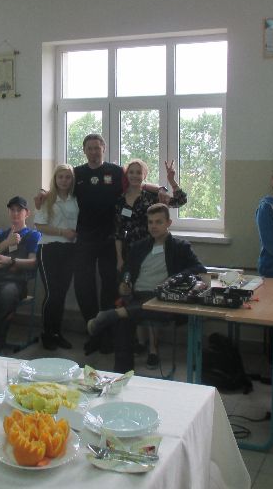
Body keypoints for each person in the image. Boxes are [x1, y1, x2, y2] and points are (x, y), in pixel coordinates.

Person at [87, 203, 205, 373]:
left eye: (159, 222)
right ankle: (122, 374)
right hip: (136, 297)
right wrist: (125, 283)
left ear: (168, 223)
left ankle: (111, 314)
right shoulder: (139, 247)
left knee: (134, 311)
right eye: (150, 222)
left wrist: (175, 278)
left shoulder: (180, 247)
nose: (153, 226)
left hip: (162, 298)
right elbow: (127, 272)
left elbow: (199, 269)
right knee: (123, 322)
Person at [115, 158, 187, 368]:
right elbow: (118, 231)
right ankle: (140, 342)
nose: (135, 176)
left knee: (150, 298)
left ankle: (153, 349)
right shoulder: (120, 200)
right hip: (130, 254)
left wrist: (171, 181)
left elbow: (180, 201)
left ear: (144, 175)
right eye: (131, 172)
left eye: (139, 172)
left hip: (152, 253)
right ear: (127, 175)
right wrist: (119, 258)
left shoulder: (153, 196)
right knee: (133, 297)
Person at [72, 134, 124, 355]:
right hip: (84, 237)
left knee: (109, 286)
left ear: (104, 148)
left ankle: (107, 334)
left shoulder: (116, 172)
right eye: (89, 148)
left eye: (97, 147)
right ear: (84, 150)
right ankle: (93, 333)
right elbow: (58, 187)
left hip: (109, 237)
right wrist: (43, 193)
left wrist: (160, 188)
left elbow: (137, 183)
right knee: (83, 286)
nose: (93, 151)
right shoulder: (77, 173)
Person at [0, 196, 41, 353]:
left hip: (16, 283)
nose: (15, 213)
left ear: (27, 213)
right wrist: (6, 243)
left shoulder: (33, 235)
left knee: (6, 296)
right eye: (12, 210)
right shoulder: (0, 234)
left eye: (19, 210)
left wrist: (10, 260)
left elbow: (33, 262)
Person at [33, 164, 78, 351]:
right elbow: (39, 225)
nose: (64, 181)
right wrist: (62, 232)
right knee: (52, 293)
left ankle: (57, 333)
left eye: (68, 177)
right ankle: (47, 334)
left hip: (70, 250)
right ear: (55, 179)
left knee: (61, 294)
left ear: (72, 180)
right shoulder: (47, 199)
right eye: (61, 177)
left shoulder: (76, 199)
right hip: (49, 249)